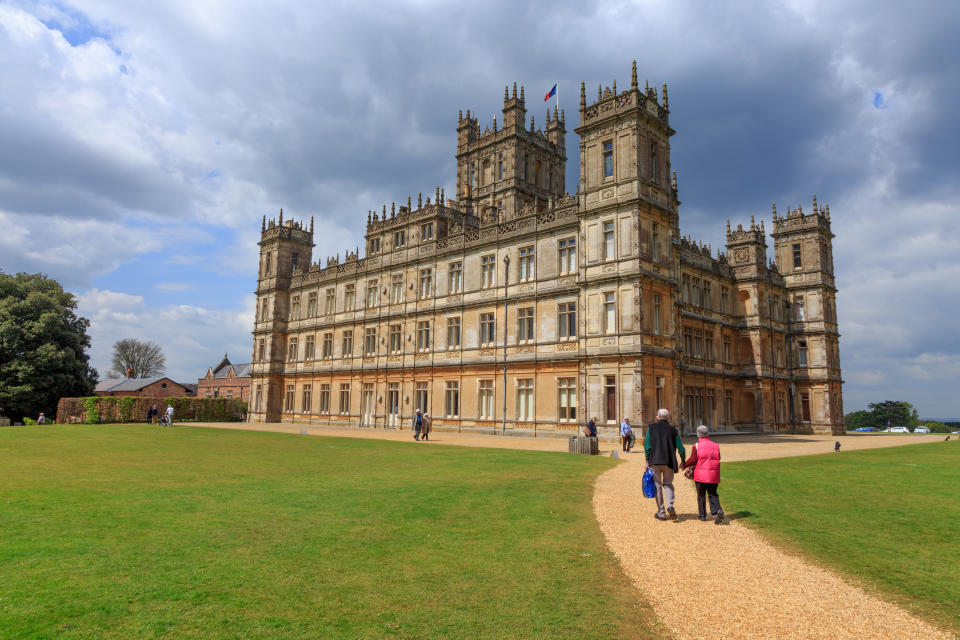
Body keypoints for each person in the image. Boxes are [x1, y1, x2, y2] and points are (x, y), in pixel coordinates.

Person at [644, 408, 686, 521]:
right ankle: (670, 505)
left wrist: (647, 460)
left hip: (655, 461)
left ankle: (661, 512)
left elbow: (647, 446)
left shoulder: (651, 428)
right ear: (668, 418)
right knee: (668, 484)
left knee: (657, 485)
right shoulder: (673, 430)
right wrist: (683, 460)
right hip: (669, 461)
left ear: (657, 417)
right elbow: (681, 448)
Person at [684, 425, 725, 524]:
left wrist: (684, 465)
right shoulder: (716, 445)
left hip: (700, 475)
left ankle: (702, 516)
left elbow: (693, 459)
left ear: (698, 435)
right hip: (713, 474)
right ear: (708, 434)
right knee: (713, 494)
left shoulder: (696, 446)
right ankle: (719, 510)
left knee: (701, 496)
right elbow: (718, 457)